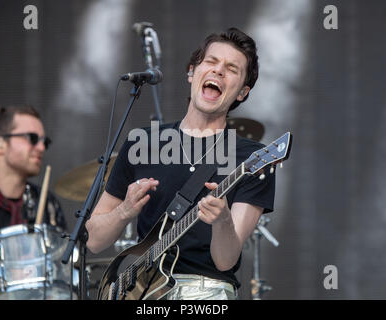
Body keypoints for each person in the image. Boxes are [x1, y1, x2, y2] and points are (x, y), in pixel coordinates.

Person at [86, 27, 276, 300]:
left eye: (232, 69)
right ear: (191, 73)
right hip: (143, 289)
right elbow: (94, 241)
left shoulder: (253, 158)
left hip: (206, 292)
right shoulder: (143, 143)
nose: (218, 71)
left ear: (242, 93)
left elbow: (225, 261)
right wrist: (124, 211)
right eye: (211, 62)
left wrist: (222, 221)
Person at [0, 105, 66, 294]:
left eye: (44, 141)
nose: (41, 147)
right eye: (32, 138)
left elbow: (63, 273)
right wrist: (0, 284)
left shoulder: (47, 204)